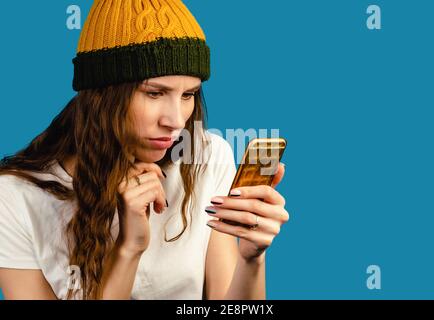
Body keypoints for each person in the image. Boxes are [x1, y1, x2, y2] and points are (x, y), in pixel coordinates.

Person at [0, 0, 289, 300]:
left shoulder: (206, 157)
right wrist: (128, 249)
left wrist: (251, 259)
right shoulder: (14, 197)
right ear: (102, 95)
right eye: (154, 93)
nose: (176, 120)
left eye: (188, 94)